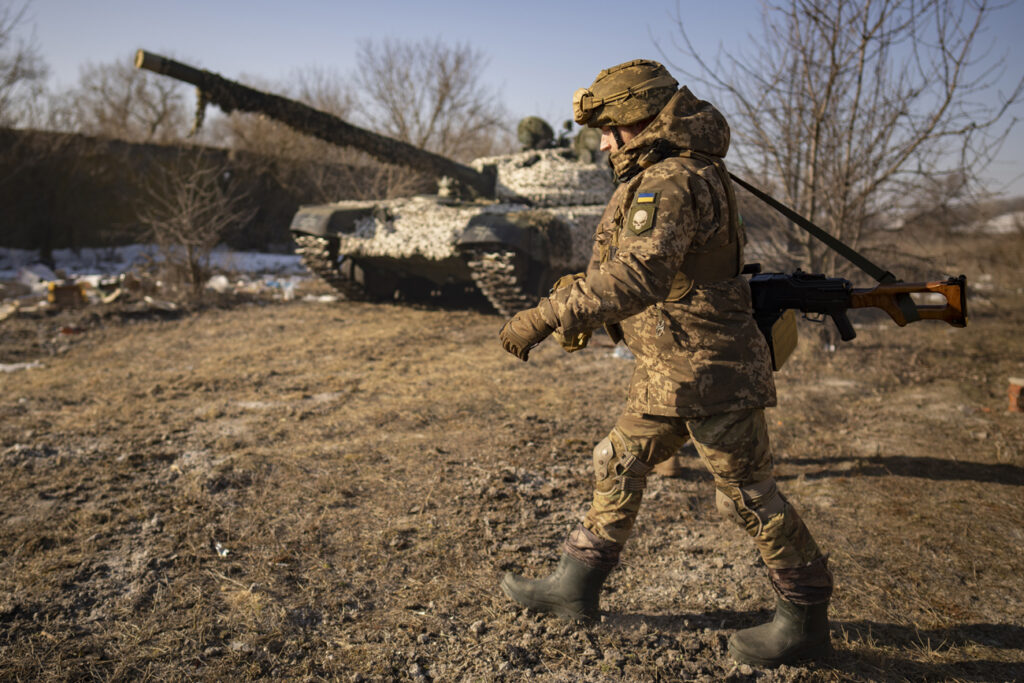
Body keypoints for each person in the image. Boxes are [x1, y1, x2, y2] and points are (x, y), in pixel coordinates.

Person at [497, 59, 833, 667]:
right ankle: (574, 587)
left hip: (708, 370)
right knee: (617, 461)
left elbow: (638, 276)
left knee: (747, 497)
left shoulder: (671, 180)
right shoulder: (675, 169)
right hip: (673, 365)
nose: (603, 143)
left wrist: (546, 316)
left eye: (609, 128)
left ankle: (806, 620)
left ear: (639, 119)